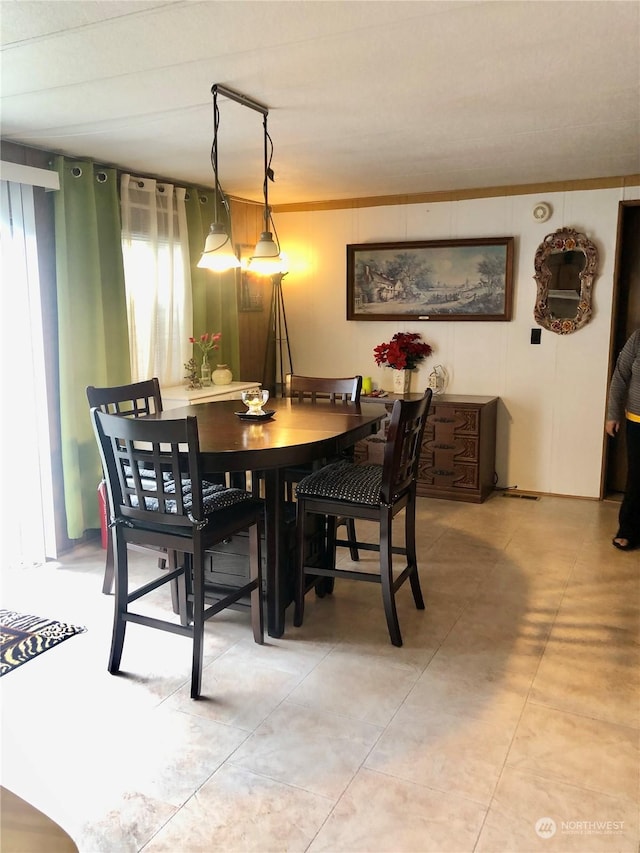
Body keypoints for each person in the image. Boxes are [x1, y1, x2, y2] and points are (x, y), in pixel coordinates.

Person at [606, 329, 640, 550]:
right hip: (637, 420)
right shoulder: (638, 338)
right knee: (637, 477)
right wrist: (612, 414)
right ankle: (627, 529)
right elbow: (620, 375)